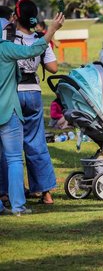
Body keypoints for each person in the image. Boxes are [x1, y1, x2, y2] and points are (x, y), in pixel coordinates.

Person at [0, 13, 64, 216]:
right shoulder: (6, 49)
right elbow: (35, 50)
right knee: (14, 159)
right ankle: (19, 205)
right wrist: (51, 30)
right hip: (9, 109)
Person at [13, 0, 58, 205]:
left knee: (9, 145)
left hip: (12, 93)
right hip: (34, 94)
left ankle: (7, 192)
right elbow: (53, 68)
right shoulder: (41, 39)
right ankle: (45, 192)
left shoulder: (8, 38)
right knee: (36, 142)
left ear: (16, 17)